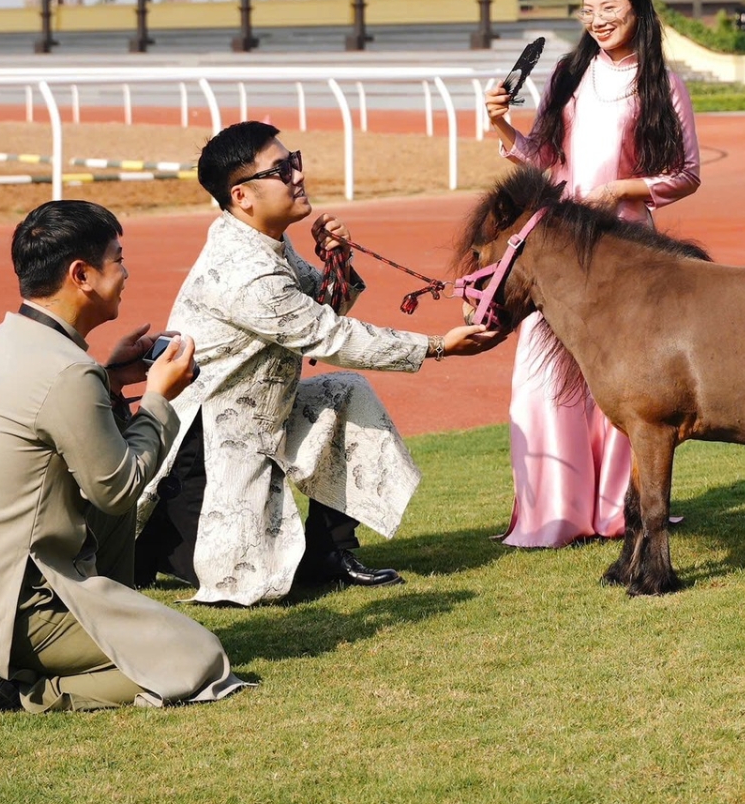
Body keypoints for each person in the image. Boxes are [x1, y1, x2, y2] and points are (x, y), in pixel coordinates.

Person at [0, 200, 247, 713]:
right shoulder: (67, 372)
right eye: (118, 258)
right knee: (198, 659)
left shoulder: (4, 341)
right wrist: (157, 397)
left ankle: (101, 626)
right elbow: (122, 485)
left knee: (114, 518)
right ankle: (20, 693)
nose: (126, 272)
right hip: (9, 611)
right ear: (81, 274)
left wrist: (109, 378)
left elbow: (61, 422)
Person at [136, 121, 501, 607]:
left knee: (344, 393)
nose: (298, 175)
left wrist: (338, 260)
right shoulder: (245, 272)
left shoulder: (264, 240)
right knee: (249, 583)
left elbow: (324, 306)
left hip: (262, 419)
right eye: (282, 169)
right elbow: (328, 335)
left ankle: (332, 553)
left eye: (295, 161)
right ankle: (149, 539)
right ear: (242, 195)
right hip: (207, 444)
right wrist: (437, 346)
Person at [484, 0, 702, 547]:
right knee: (541, 381)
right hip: (558, 251)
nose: (598, 19)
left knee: (627, 381)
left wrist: (622, 190)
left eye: (610, 8)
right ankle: (551, 514)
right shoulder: (565, 75)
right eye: (588, 10)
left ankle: (618, 511)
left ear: (638, 8)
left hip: (628, 252)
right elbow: (544, 160)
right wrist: (505, 129)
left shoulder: (662, 83)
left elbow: (685, 174)